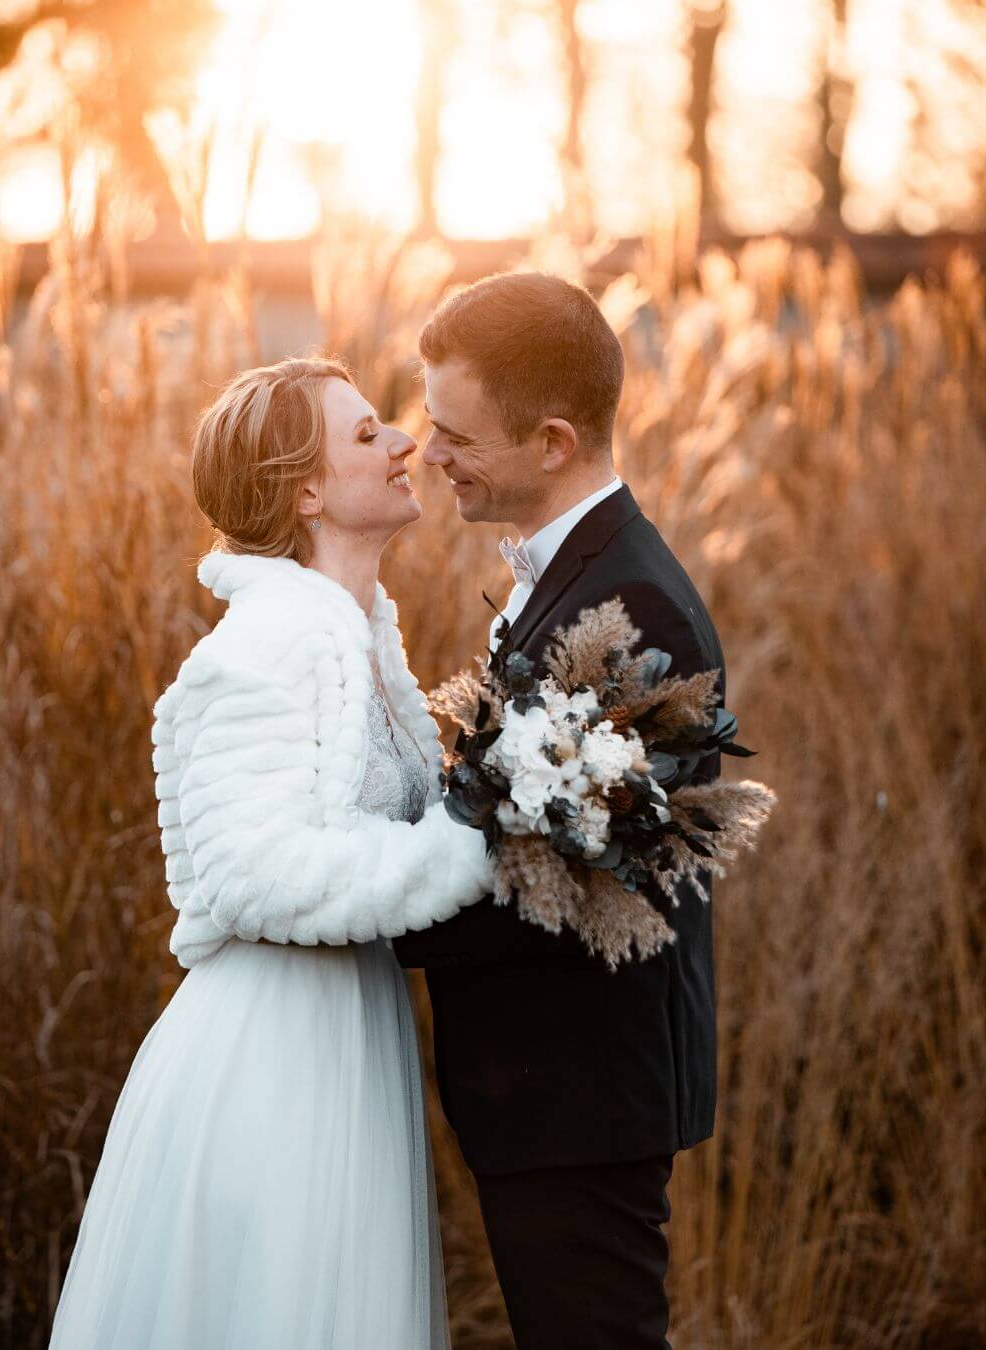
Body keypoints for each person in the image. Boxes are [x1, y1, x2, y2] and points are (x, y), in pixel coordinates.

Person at [47, 358, 494, 1350]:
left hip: (351, 1029)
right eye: (369, 434)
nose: (404, 444)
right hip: (274, 1056)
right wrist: (470, 853)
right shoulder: (266, 642)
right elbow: (255, 870)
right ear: (305, 489)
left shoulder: (355, 636)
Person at [392, 271, 728, 1350]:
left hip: (582, 1096)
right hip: (550, 1092)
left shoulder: (633, 611)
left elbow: (556, 885)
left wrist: (358, 908)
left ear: (550, 441)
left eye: (454, 433)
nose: (427, 452)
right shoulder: (573, 578)